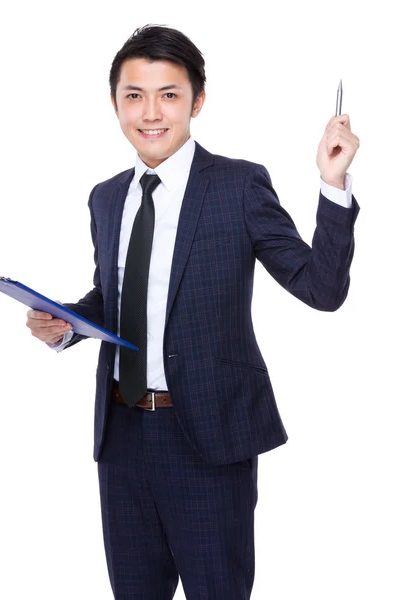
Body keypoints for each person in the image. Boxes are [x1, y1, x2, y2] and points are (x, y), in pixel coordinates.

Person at [26, 23, 360, 600]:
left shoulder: (238, 186)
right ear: (115, 104)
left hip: (207, 436)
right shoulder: (106, 197)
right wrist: (63, 324)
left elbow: (321, 289)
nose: (150, 112)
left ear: (197, 101)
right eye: (134, 95)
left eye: (169, 95)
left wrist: (332, 187)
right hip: (123, 435)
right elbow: (113, 296)